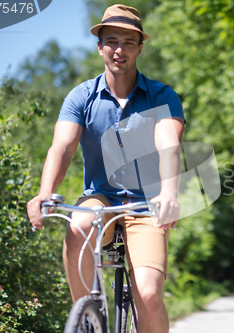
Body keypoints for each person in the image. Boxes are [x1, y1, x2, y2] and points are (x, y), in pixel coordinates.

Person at [26, 5, 185, 333]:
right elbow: (63, 147)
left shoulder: (162, 96)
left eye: (129, 42)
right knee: (79, 223)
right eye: (111, 41)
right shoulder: (81, 96)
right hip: (100, 199)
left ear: (140, 48)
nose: (119, 49)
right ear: (99, 46)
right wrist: (44, 193)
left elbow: (168, 145)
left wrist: (169, 193)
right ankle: (85, 318)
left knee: (150, 294)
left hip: (147, 203)